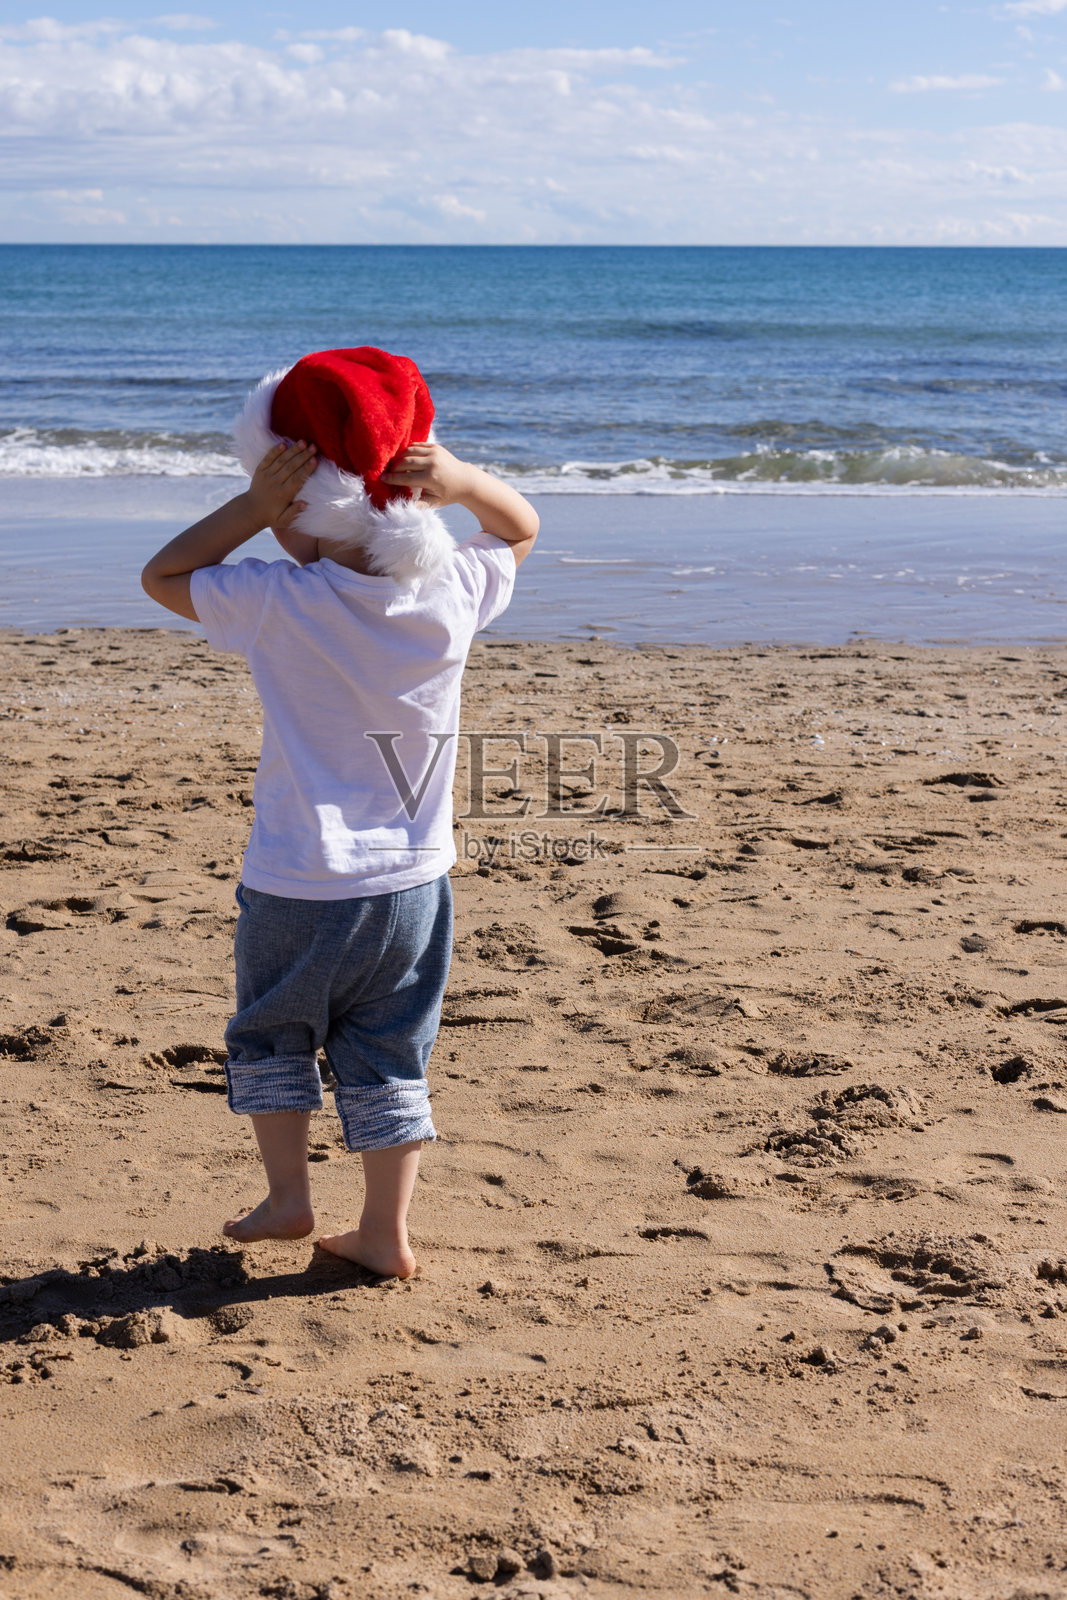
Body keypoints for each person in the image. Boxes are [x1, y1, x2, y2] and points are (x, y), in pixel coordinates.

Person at [141, 346, 538, 1278]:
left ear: (303, 503)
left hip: (295, 877)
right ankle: (385, 1234)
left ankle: (288, 1200)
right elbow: (518, 531)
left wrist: (251, 509)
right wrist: (465, 479)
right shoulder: (451, 592)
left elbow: (164, 576)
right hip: (412, 883)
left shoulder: (279, 601)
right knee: (391, 1050)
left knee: (271, 1033)